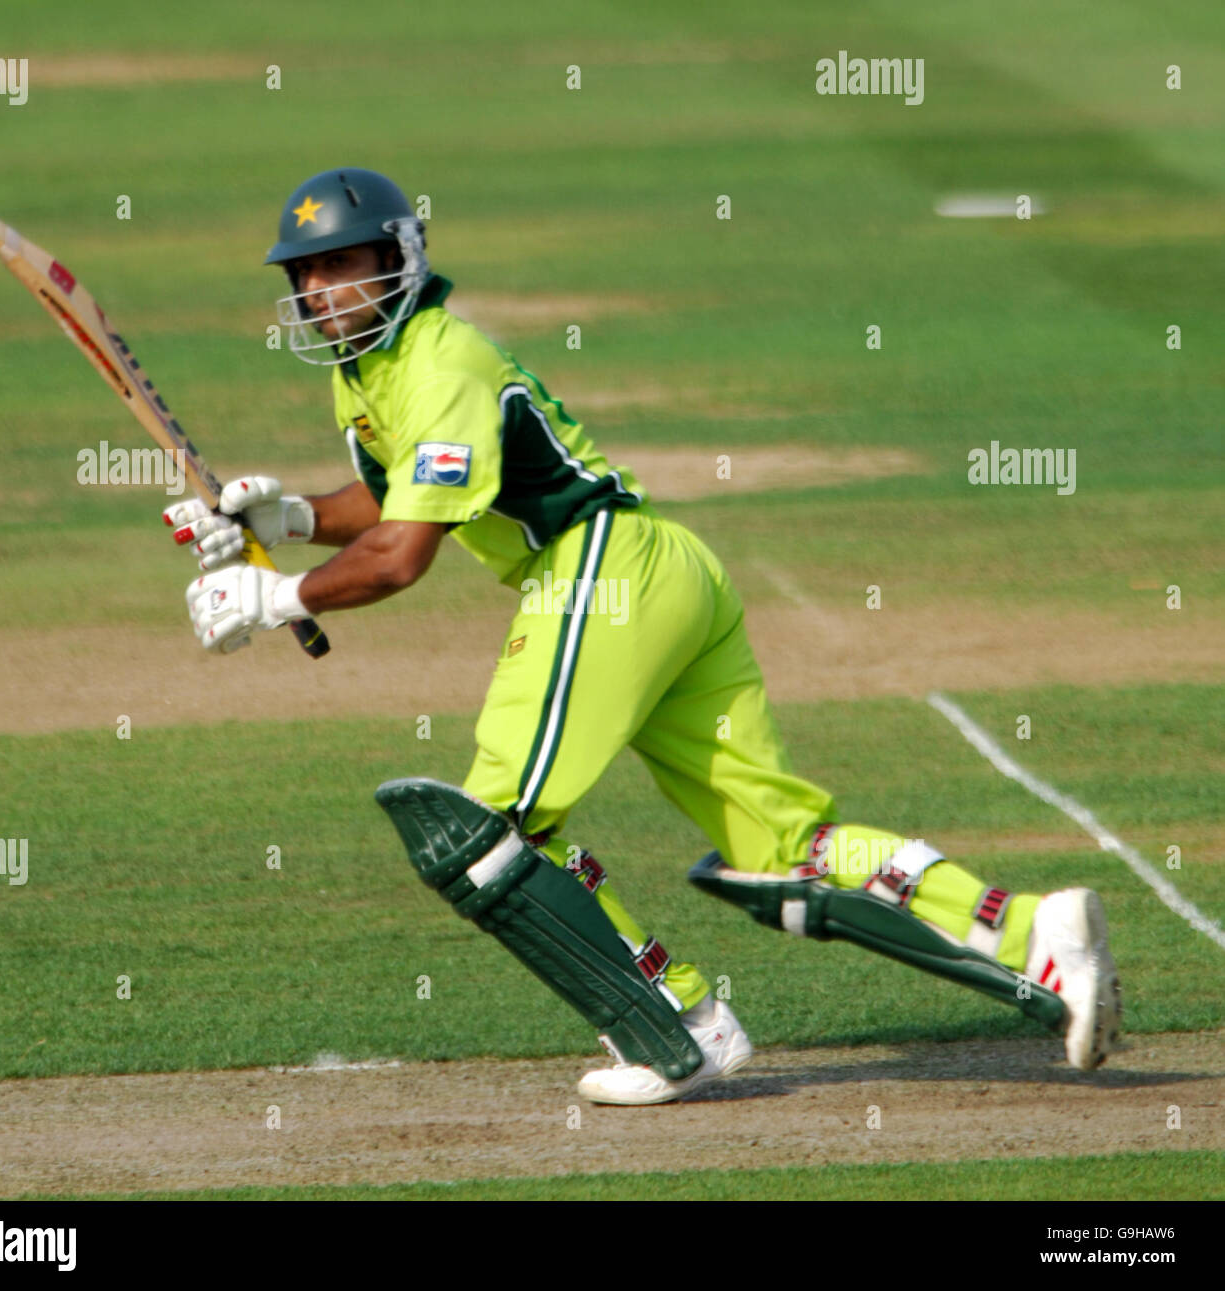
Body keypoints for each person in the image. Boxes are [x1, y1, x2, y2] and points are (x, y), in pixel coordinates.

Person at [165, 168, 1122, 1104]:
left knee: (488, 836)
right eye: (305, 274)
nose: (321, 291)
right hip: (666, 573)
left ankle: (679, 1023)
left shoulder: (439, 359)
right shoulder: (370, 371)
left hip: (601, 573)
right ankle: (1038, 932)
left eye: (342, 265)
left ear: (399, 258)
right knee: (781, 847)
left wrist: (278, 598)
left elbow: (402, 555)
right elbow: (391, 496)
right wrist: (287, 515)